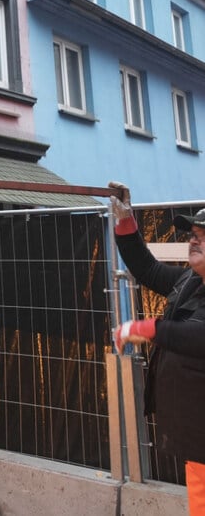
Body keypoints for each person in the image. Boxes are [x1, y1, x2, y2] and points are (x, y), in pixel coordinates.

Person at [109, 182, 205, 514]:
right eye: (193, 233)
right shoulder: (190, 281)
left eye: (202, 235)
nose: (193, 239)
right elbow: (146, 268)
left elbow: (197, 337)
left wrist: (146, 328)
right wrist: (125, 220)